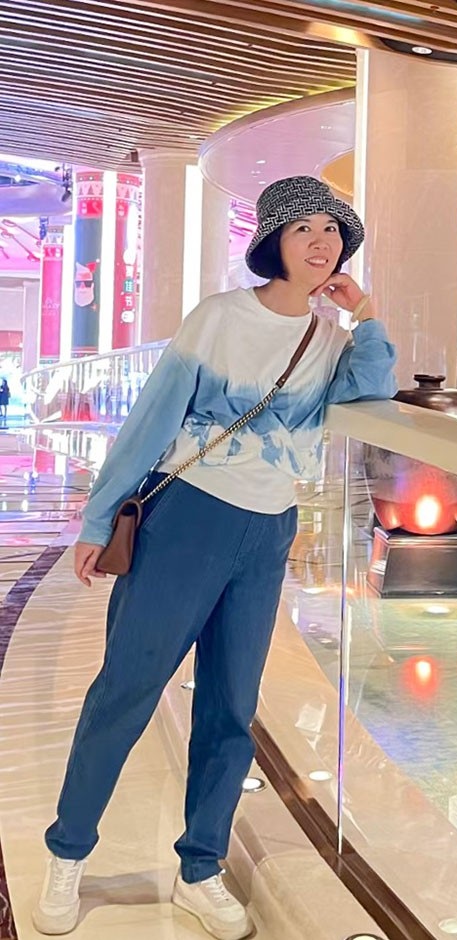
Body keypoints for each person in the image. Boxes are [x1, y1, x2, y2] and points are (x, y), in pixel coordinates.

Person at [33, 175, 397, 940]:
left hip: (268, 532)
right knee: (126, 691)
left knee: (232, 708)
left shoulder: (331, 341)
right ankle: (68, 853)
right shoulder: (220, 318)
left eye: (333, 231)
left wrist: (364, 314)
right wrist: (98, 518)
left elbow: (374, 391)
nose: (321, 242)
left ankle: (200, 867)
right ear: (273, 242)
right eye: (304, 229)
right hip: (187, 520)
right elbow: (152, 420)